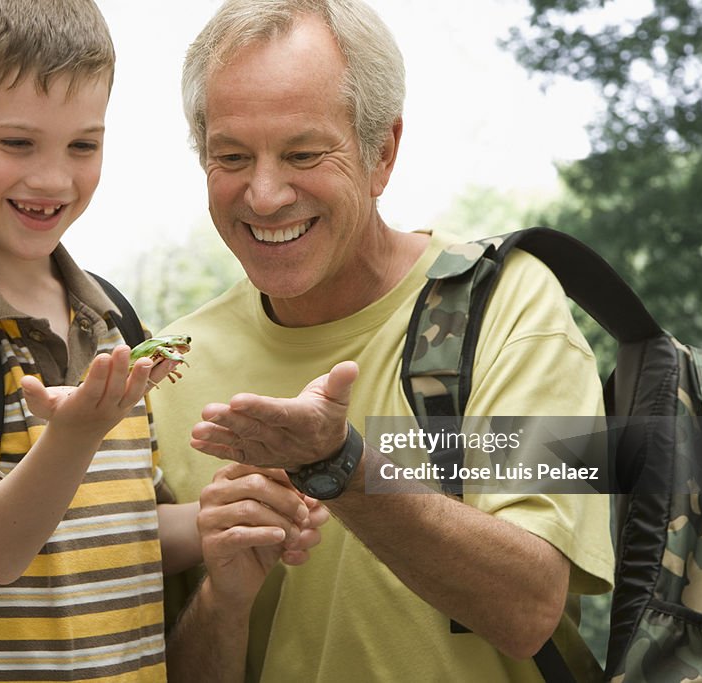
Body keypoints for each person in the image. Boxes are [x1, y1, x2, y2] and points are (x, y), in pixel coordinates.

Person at [0, 1, 323, 680]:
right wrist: (74, 435)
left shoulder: (113, 324)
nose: (53, 179)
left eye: (83, 144)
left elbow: (122, 533)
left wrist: (225, 519)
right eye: (17, 144)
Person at [156, 1, 615, 681]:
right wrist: (223, 602)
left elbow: (533, 605)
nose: (264, 193)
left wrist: (339, 465)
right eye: (231, 156)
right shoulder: (169, 363)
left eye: (303, 153)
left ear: (383, 151)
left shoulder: (516, 302)